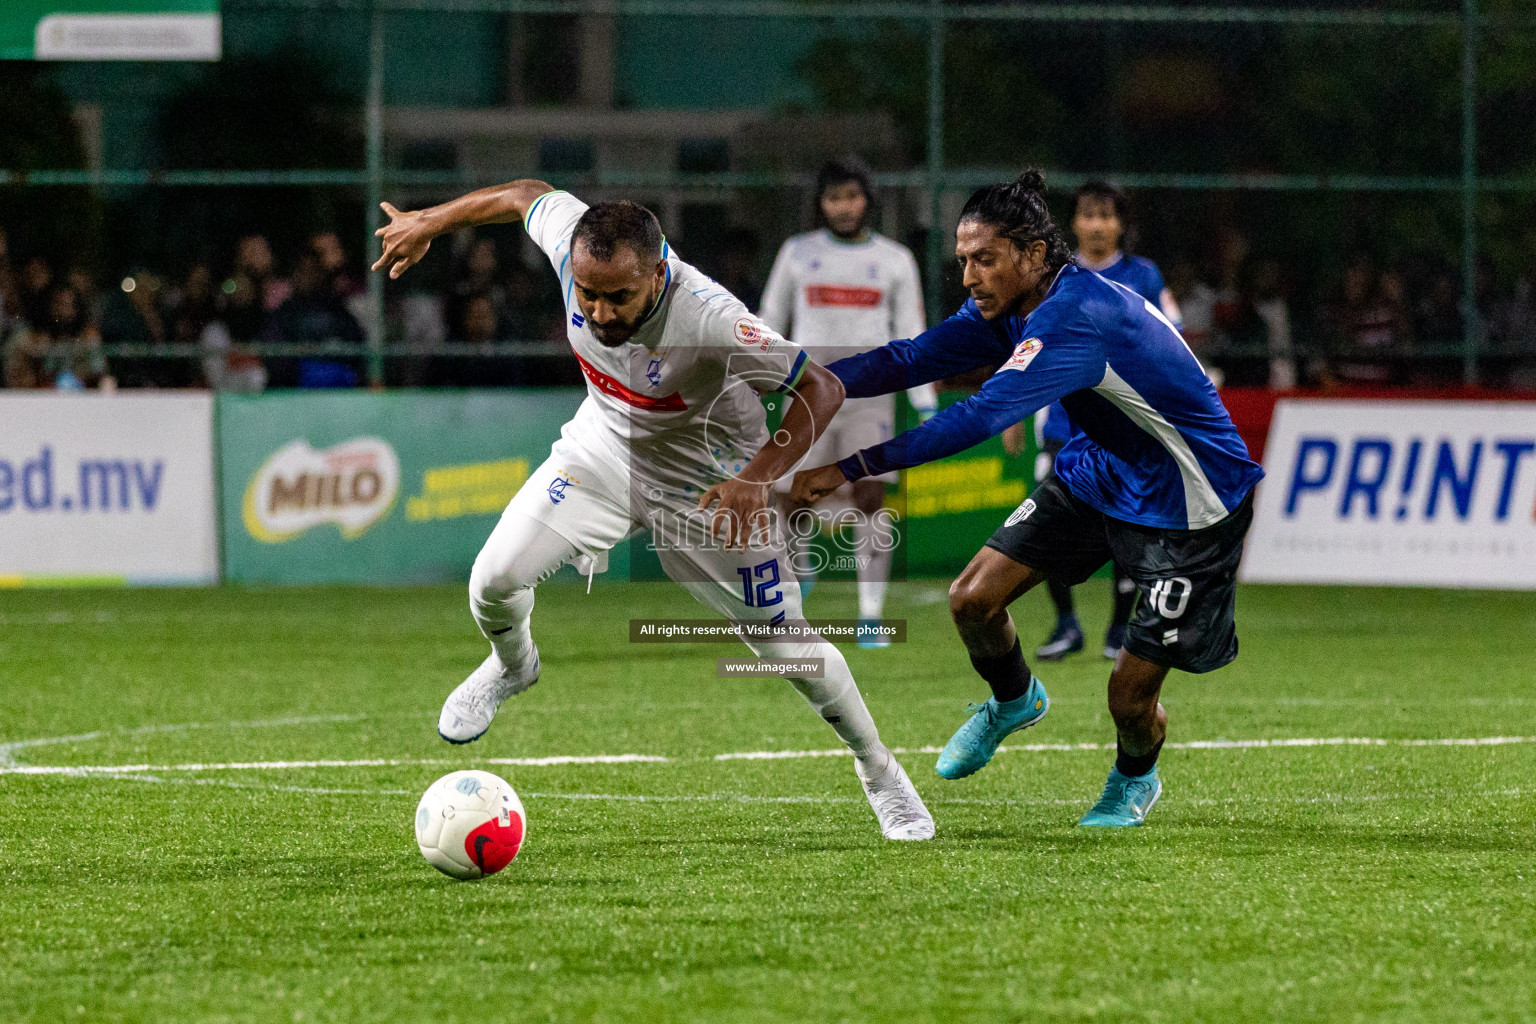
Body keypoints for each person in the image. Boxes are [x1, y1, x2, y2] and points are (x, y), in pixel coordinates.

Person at [373, 179, 933, 841]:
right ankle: (514, 666)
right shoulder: (573, 244)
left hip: (710, 481)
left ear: (659, 272)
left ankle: (879, 771)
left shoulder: (710, 316)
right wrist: (432, 221)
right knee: (492, 582)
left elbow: (822, 388)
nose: (602, 313)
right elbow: (525, 194)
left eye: (620, 296)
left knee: (788, 644)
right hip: (602, 452)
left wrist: (758, 479)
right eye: (589, 295)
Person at [792, 171, 1263, 828]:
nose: (968, 277)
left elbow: (977, 418)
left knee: (1128, 698)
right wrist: (804, 380)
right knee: (972, 600)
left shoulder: (1076, 316)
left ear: (1034, 255)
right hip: (1103, 470)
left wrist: (848, 466)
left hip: (1191, 499)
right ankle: (1014, 700)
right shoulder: (1006, 307)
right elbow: (907, 359)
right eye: (963, 260)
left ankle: (1135, 777)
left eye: (984, 259)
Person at [758, 157, 938, 647]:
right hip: (809, 393)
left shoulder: (896, 259)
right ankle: (795, 583)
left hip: (870, 395)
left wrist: (923, 399)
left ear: (868, 200)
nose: (843, 206)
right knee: (791, 494)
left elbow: (910, 332)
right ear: (820, 203)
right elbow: (769, 319)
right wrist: (757, 377)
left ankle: (870, 615)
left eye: (852, 196)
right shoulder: (797, 254)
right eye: (833, 197)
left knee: (869, 495)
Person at [1018, 180, 1182, 663]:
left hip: (1127, 427)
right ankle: (1066, 623)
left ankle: (1117, 627)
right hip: (1064, 425)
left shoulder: (1144, 276)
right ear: (1072, 223)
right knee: (1046, 521)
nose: (1096, 225)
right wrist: (1013, 408)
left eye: (1106, 216)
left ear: (1121, 224)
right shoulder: (1054, 278)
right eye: (1088, 215)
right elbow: (1030, 347)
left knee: (1127, 522)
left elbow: (1171, 339)